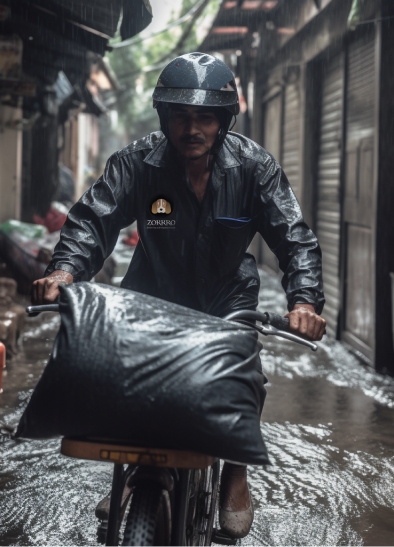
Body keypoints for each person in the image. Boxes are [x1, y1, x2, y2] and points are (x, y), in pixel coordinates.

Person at [31, 52, 326, 539]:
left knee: (244, 370)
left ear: (223, 120)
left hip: (229, 298)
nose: (193, 128)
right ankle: (129, 469)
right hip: (153, 291)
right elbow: (92, 221)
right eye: (181, 116)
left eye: (205, 116)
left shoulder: (256, 168)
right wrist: (63, 271)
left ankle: (235, 470)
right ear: (165, 117)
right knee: (126, 373)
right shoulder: (136, 163)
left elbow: (295, 238)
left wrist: (304, 303)